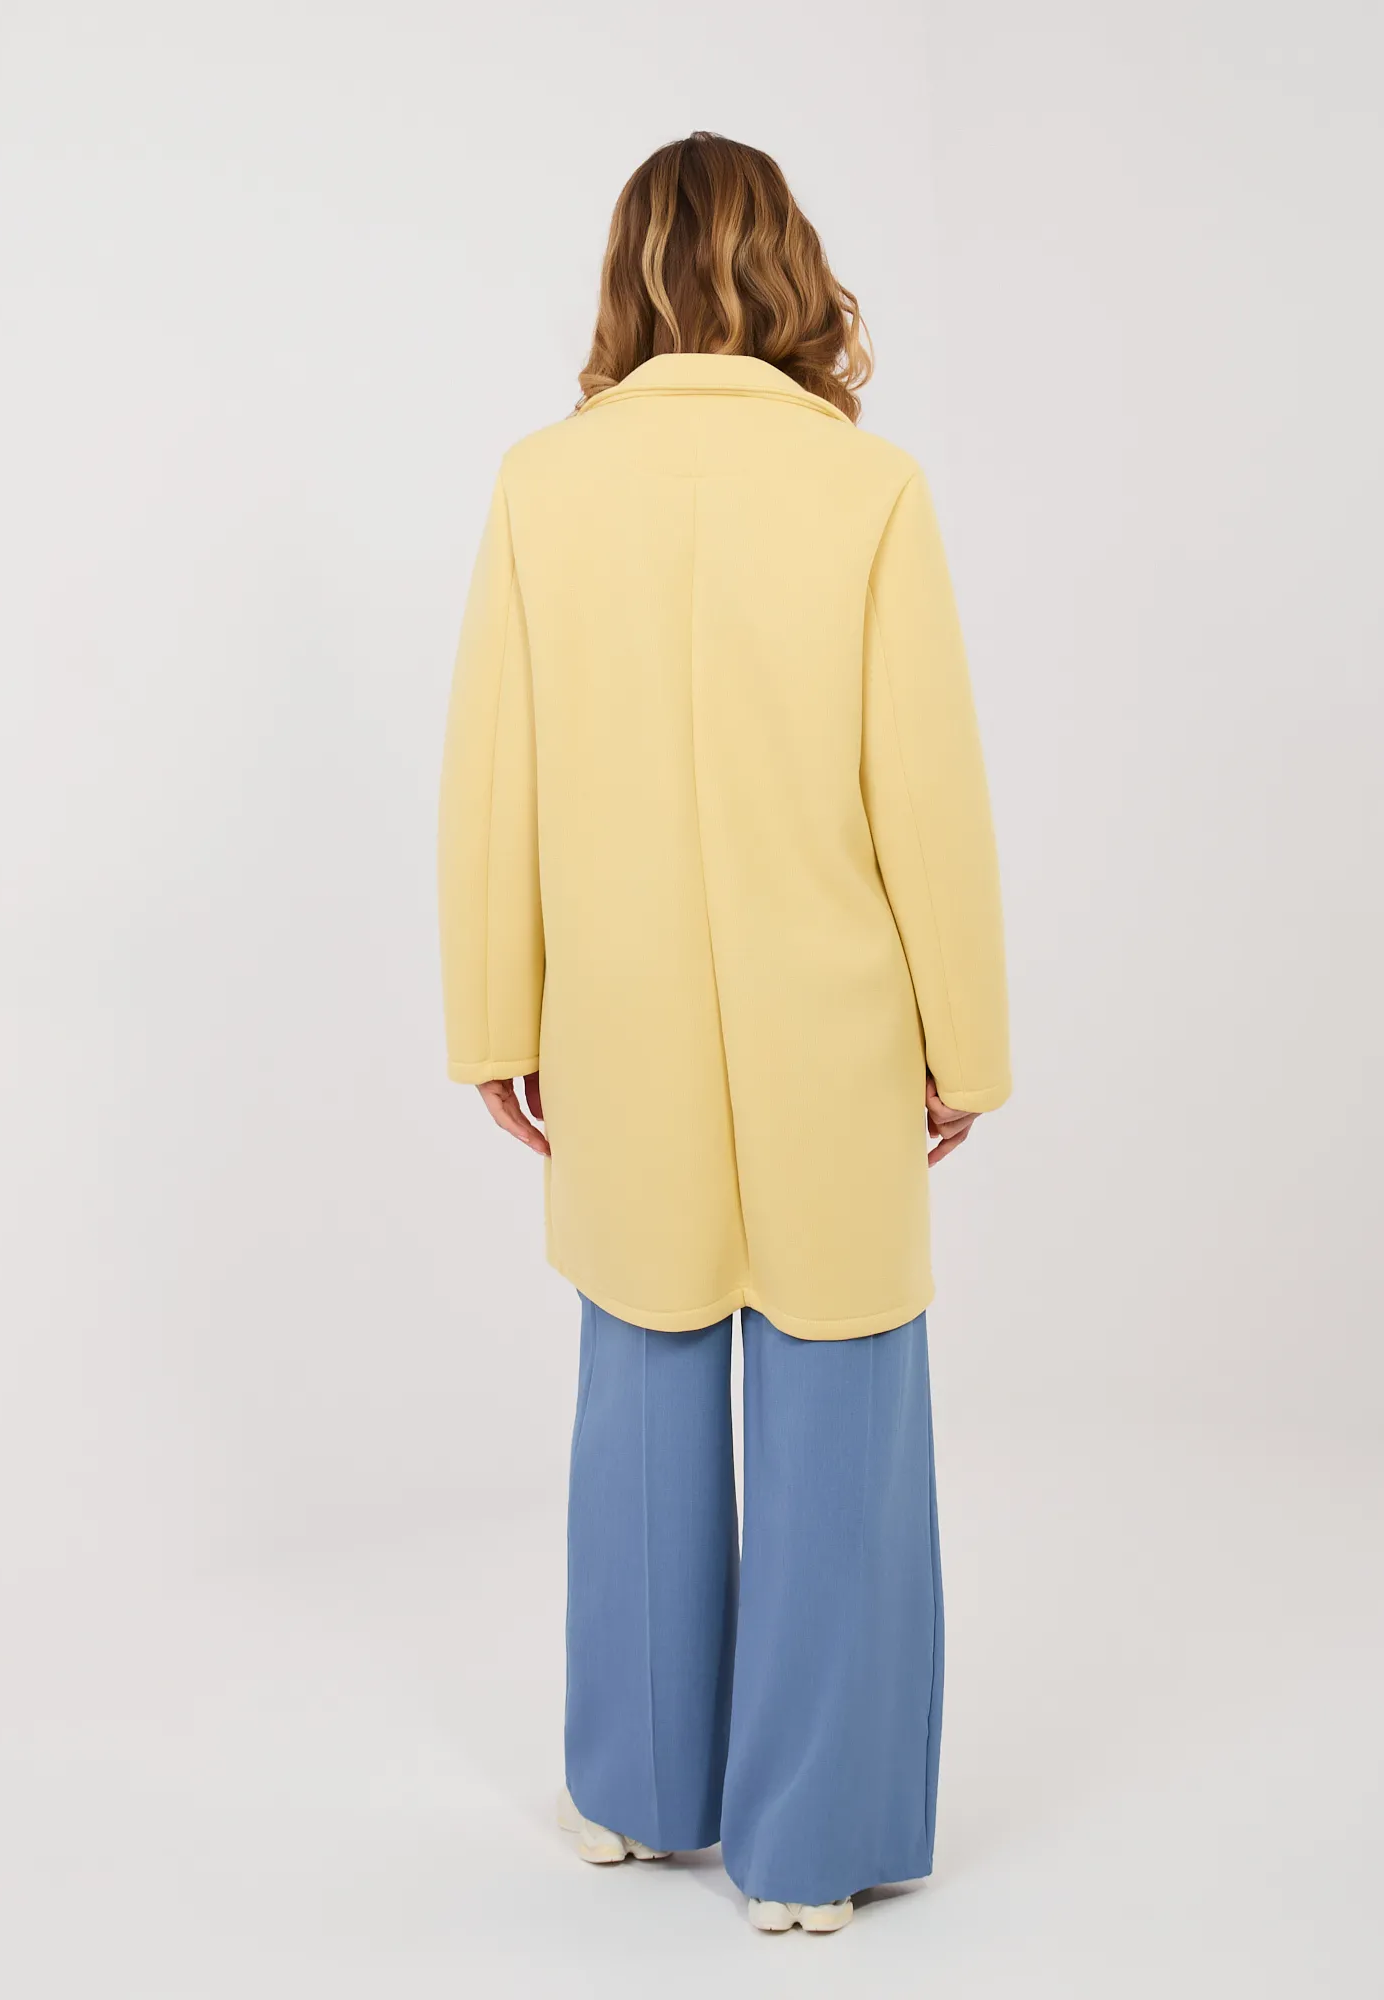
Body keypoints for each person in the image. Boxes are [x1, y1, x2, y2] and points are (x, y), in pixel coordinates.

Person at [437, 131, 1010, 1933]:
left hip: (620, 1022)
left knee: (642, 1379)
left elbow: (496, 775)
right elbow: (926, 793)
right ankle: (810, 1848)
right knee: (841, 1399)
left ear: (630, 271)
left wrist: (494, 1013)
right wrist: (966, 1040)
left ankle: (633, 1791)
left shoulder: (543, 484)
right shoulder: (868, 489)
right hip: (830, 1023)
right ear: (790, 269)